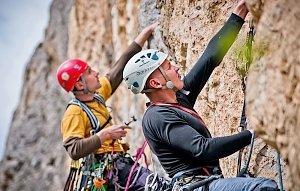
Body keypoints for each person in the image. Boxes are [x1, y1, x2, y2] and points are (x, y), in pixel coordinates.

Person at [123, 1, 279, 190]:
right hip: (197, 186)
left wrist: (238, 16)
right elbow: (203, 149)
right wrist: (252, 134)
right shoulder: (157, 118)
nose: (177, 67)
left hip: (207, 182)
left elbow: (209, 59)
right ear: (156, 83)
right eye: (168, 68)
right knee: (262, 187)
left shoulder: (178, 97)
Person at [56, 22, 159, 191]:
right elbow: (73, 149)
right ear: (80, 85)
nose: (96, 72)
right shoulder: (74, 112)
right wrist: (105, 135)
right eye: (89, 72)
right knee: (159, 187)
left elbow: (118, 70)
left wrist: (145, 34)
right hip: (110, 171)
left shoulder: (97, 96)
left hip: (117, 168)